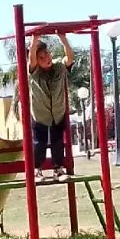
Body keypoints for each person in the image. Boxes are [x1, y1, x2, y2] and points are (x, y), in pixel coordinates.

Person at [28, 33, 74, 182]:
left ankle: (58, 170)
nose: (46, 58)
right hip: (40, 114)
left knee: (57, 141)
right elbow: (31, 59)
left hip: (58, 113)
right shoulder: (35, 72)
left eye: (47, 54)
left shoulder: (59, 68)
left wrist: (63, 39)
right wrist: (34, 39)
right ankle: (37, 170)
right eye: (41, 57)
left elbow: (70, 57)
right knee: (39, 142)